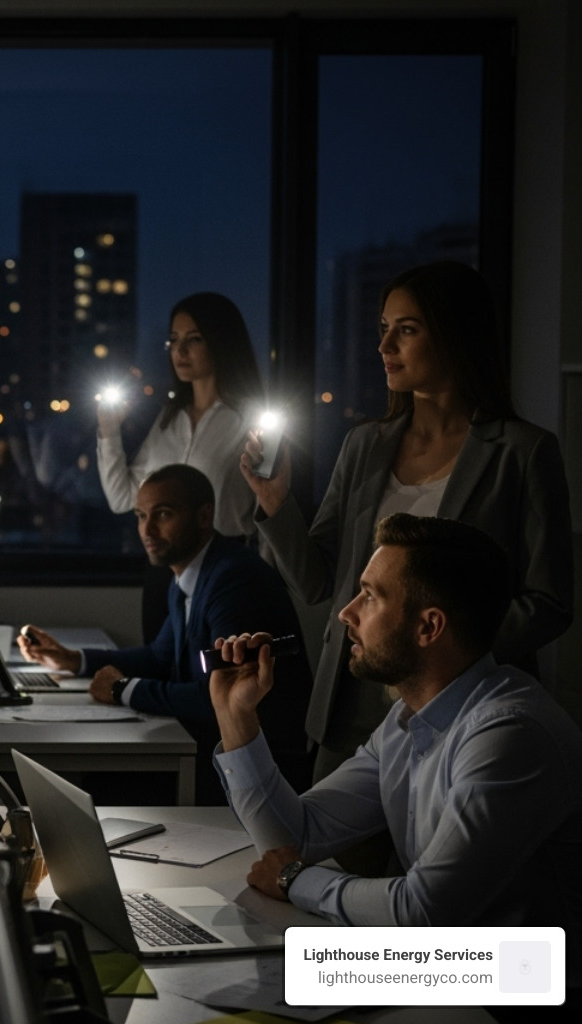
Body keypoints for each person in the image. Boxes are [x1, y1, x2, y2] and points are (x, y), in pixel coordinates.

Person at [242, 261, 573, 784]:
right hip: (352, 710)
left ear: (455, 335)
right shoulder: (364, 446)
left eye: (407, 329)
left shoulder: (522, 452)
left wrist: (444, 654)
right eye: (383, 328)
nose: (385, 345)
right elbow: (317, 582)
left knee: (440, 863)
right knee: (326, 852)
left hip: (463, 711)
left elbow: (549, 601)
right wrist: (276, 504)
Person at [208, 515, 582, 942]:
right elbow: (296, 836)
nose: (347, 613)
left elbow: (424, 911)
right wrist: (237, 716)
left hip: (517, 989)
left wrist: (296, 879)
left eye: (369, 597)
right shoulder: (407, 720)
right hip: (444, 971)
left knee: (281, 982)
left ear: (428, 627)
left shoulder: (511, 735)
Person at [18, 464, 310, 802]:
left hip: (257, 766)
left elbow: (216, 695)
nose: (148, 529)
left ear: (204, 517)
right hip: (211, 745)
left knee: (101, 784)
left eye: (163, 514)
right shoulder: (187, 575)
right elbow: (159, 656)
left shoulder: (233, 580)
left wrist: (122, 689)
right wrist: (74, 659)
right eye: (141, 516)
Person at [97, 292, 264, 642]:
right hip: (165, 567)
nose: (180, 351)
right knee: (160, 671)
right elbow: (121, 498)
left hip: (223, 567)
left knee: (213, 680)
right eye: (173, 340)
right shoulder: (169, 420)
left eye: (194, 339)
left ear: (220, 341)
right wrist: (109, 430)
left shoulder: (252, 419)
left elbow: (270, 506)